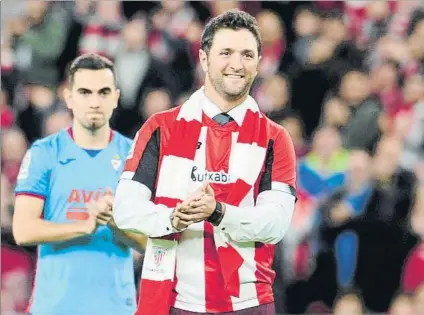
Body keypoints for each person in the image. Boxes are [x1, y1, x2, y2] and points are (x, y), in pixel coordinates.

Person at [113, 9, 297, 315]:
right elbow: (126, 210)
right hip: (173, 302)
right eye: (226, 52)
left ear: (258, 63)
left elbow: (275, 223)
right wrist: (173, 218)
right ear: (203, 59)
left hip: (248, 304)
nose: (236, 64)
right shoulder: (160, 128)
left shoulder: (275, 138)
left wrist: (219, 213)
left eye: (247, 55)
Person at [12, 53, 145, 315]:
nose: (95, 102)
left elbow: (150, 242)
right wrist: (84, 225)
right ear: (68, 96)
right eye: (85, 92)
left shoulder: (135, 157)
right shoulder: (44, 153)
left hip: (116, 306)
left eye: (103, 92)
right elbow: (23, 230)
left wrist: (114, 221)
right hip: (54, 307)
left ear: (116, 97)